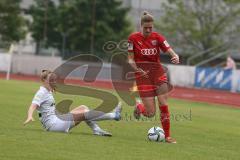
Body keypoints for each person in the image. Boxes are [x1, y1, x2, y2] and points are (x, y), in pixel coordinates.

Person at [128, 11, 180, 143]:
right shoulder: (133, 39)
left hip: (157, 73)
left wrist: (175, 55)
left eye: (151, 27)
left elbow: (168, 49)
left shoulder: (157, 37)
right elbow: (130, 60)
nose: (149, 30)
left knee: (163, 102)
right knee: (150, 113)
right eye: (146, 28)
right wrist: (137, 70)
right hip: (142, 76)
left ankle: (167, 136)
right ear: (141, 26)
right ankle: (139, 107)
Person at [23, 70, 122, 136]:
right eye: (51, 80)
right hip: (54, 125)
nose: (53, 81)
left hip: (56, 121)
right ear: (44, 80)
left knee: (83, 107)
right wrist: (29, 116)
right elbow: (33, 106)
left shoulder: (48, 90)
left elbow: (47, 109)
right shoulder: (41, 92)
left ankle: (96, 129)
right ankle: (114, 115)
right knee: (84, 114)